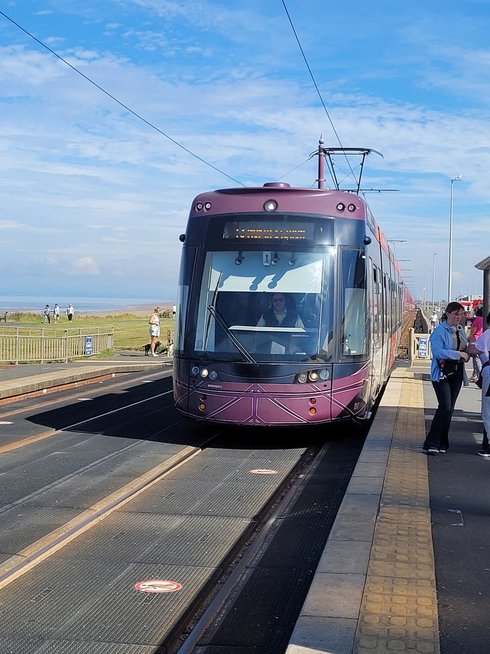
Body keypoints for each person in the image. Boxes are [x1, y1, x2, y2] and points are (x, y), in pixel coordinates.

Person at [422, 302, 470, 455]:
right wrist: (459, 355)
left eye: (461, 314)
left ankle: (442, 442)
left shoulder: (460, 330)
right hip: (442, 373)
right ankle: (431, 442)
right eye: (456, 314)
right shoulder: (439, 331)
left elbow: (463, 347)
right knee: (445, 406)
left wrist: (469, 351)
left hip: (456, 372)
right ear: (447, 314)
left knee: (449, 410)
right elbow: (437, 352)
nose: (459, 317)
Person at [467, 310, 490, 457]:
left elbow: (473, 348)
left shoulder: (487, 335)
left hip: (489, 375)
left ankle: (488, 445)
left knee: (488, 412)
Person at [468, 306, 484, 382]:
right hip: (481, 339)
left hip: (475, 339)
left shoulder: (477, 319)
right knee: (480, 358)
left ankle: (479, 375)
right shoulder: (484, 319)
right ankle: (477, 375)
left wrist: (469, 337)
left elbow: (473, 330)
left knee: (476, 358)